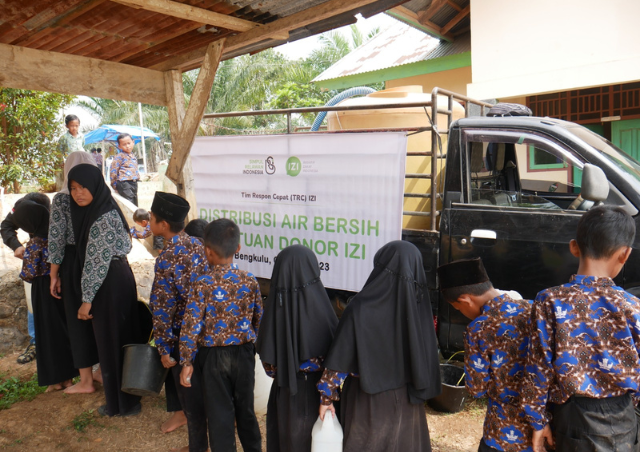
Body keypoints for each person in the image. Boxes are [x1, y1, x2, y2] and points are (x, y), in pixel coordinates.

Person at [521, 205, 640, 452]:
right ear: (625, 254)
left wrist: (538, 420)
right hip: (624, 417)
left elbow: (538, 366)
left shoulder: (550, 300)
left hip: (573, 417)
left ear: (574, 247)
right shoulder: (633, 306)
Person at [317, 240, 441, 452]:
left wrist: (327, 397)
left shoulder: (360, 307)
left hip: (368, 401)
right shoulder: (420, 309)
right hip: (408, 402)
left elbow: (340, 359)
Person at [180, 218, 263, 452]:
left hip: (213, 359)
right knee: (245, 409)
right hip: (244, 355)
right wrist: (250, 343)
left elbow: (191, 326)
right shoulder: (250, 281)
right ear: (238, 248)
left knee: (219, 415)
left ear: (207, 251)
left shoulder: (202, 283)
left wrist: (187, 361)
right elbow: (259, 319)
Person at [68, 163, 143, 417]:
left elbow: (96, 263)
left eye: (83, 187)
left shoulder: (101, 217)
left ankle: (121, 405)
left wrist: (86, 300)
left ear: (96, 186)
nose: (78, 193)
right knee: (121, 339)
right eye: (73, 188)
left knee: (111, 342)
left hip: (107, 283)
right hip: (118, 278)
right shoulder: (106, 207)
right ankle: (127, 401)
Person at [438, 257, 533, 452]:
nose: (462, 312)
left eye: (458, 309)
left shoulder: (478, 329)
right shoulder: (535, 309)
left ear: (465, 300)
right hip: (541, 430)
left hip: (502, 433)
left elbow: (477, 388)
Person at [256, 245, 339, 452]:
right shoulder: (324, 310)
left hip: (284, 392)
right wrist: (327, 396)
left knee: (286, 443)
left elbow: (269, 366)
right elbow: (337, 359)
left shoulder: (273, 312)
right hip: (318, 394)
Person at [149, 192, 209, 451]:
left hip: (181, 335)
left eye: (151, 218)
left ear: (163, 225)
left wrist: (163, 347)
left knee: (189, 394)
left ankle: (198, 446)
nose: (149, 221)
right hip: (207, 330)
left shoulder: (166, 258)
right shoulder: (199, 244)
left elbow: (163, 307)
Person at [49, 151, 101, 394]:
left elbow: (57, 239)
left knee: (77, 318)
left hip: (72, 263)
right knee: (99, 314)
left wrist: (53, 274)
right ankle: (102, 370)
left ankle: (86, 380)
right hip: (99, 261)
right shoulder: (100, 195)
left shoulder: (61, 199)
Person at [13, 200, 78, 391]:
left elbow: (28, 273)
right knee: (63, 332)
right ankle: (68, 378)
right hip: (60, 291)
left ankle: (54, 381)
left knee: (47, 336)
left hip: (43, 293)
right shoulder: (57, 239)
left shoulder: (34, 244)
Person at [1, 192, 50, 364]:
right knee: (32, 298)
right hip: (35, 262)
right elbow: (6, 226)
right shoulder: (22, 208)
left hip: (57, 261)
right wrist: (16, 246)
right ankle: (36, 342)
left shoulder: (53, 213)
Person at [109, 133, 140, 206]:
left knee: (135, 203)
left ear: (133, 142)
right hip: (124, 183)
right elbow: (113, 171)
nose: (127, 146)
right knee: (129, 204)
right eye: (124, 144)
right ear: (119, 146)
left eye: (129, 143)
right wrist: (114, 185)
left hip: (133, 182)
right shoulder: (119, 156)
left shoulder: (133, 156)